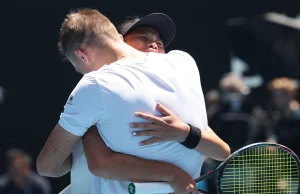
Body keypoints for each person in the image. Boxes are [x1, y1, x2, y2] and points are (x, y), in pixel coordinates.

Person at [37, 9, 230, 194]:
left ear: (81, 55)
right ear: (121, 39)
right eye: (143, 38)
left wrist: (184, 135)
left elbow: (48, 166)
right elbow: (100, 164)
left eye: (159, 41)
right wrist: (173, 173)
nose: (153, 45)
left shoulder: (94, 85)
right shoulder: (184, 60)